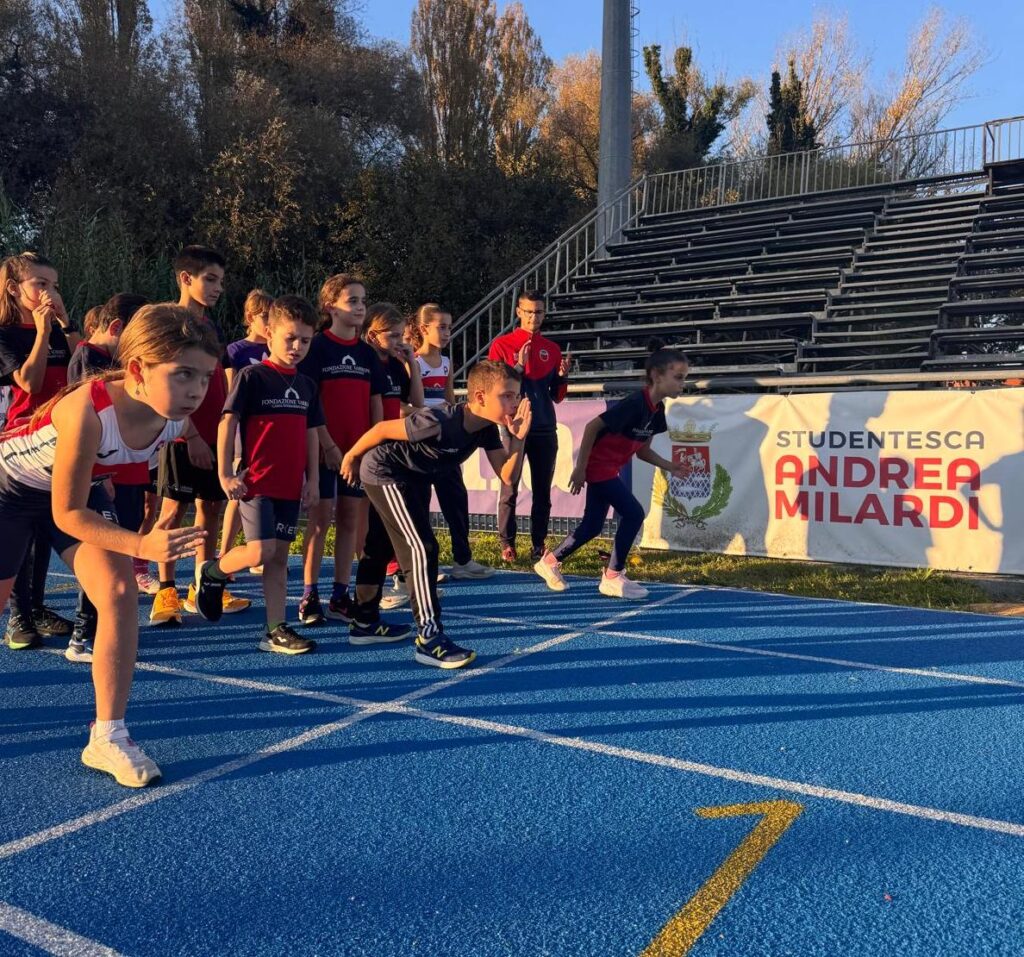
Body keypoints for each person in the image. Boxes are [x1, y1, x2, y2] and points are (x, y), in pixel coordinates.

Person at [0, 304, 217, 785]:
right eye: (183, 374)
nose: (196, 391)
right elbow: (67, 514)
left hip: (79, 490)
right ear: (137, 370)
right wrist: (143, 544)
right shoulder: (87, 410)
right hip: (10, 490)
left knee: (119, 593)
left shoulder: (175, 417)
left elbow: (164, 445)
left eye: (204, 377)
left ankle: (108, 735)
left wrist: (210, 454)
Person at [341, 360, 531, 669]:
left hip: (415, 477)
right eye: (507, 396)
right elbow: (380, 429)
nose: (515, 403)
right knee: (421, 547)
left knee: (380, 545)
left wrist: (519, 439)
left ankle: (364, 622)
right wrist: (351, 456)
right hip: (384, 471)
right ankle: (429, 638)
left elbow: (507, 476)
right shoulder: (438, 420)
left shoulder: (486, 430)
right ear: (480, 397)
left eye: (517, 395)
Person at [202, 294, 322, 654]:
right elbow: (227, 423)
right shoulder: (252, 377)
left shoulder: (307, 385)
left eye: (305, 341)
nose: (297, 347)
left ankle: (274, 629)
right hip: (256, 482)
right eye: (290, 338)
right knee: (259, 552)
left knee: (279, 559)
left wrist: (313, 480)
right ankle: (213, 572)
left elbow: (311, 434)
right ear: (269, 334)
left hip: (290, 485)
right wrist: (225, 473)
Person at [533, 345, 689, 599]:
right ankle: (613, 575)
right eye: (678, 377)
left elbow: (642, 452)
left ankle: (549, 562)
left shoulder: (657, 412)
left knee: (592, 526)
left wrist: (670, 466)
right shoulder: (635, 403)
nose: (683, 384)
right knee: (634, 513)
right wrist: (580, 468)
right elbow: (592, 427)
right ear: (657, 376)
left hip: (610, 470)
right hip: (598, 467)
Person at [149, 246, 250, 625]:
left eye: (221, 281)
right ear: (185, 278)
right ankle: (166, 591)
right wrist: (190, 434)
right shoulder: (166, 322)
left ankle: (202, 586)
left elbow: (218, 381)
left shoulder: (209, 326)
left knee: (210, 511)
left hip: (213, 435)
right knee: (172, 512)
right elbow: (161, 384)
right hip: (180, 436)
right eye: (210, 279)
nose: (218, 288)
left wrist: (224, 432)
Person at [65, 292, 150, 662]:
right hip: (106, 476)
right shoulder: (88, 359)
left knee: (122, 551)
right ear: (117, 328)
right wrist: (100, 476)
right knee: (103, 553)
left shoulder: (127, 364)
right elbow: (89, 423)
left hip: (130, 472)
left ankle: (105, 626)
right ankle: (83, 633)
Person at [298, 274, 386, 626]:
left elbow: (375, 402)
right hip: (323, 452)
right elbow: (309, 402)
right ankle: (309, 595)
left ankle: (339, 594)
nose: (360, 307)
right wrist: (327, 445)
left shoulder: (367, 353)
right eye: (352, 301)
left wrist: (370, 446)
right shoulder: (317, 347)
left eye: (363, 300)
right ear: (330, 306)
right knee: (319, 522)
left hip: (357, 454)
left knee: (350, 521)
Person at [0, 251, 75, 650]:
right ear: (14, 289)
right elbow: (29, 383)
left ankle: (38, 607)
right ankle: (19, 616)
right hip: (22, 443)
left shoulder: (58, 329)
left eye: (54, 286)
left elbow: (87, 366)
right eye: (40, 285)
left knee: (47, 528)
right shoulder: (6, 334)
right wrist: (42, 333)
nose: (49, 293)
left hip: (60, 439)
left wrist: (64, 323)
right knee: (21, 532)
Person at [411, 303, 494, 580]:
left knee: (456, 499)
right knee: (420, 502)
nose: (447, 333)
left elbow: (449, 400)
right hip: (422, 441)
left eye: (450, 327)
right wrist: (427, 417)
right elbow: (411, 403)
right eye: (442, 327)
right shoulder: (414, 361)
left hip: (447, 440)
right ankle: (426, 564)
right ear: (424, 329)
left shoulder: (446, 362)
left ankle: (463, 559)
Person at [487, 288, 570, 562]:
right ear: (518, 312)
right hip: (514, 427)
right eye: (529, 312)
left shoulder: (552, 349)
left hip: (545, 427)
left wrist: (562, 377)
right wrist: (518, 369)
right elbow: (494, 387)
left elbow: (556, 396)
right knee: (509, 486)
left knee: (542, 492)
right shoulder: (502, 345)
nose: (534, 317)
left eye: (539, 312)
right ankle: (507, 543)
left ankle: (538, 544)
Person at [220, 288, 272, 572]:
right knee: (241, 488)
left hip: (272, 429)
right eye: (266, 316)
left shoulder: (278, 347)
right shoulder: (236, 350)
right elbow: (230, 394)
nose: (271, 322)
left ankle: (257, 550)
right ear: (250, 317)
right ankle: (224, 553)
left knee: (266, 490)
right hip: (246, 429)